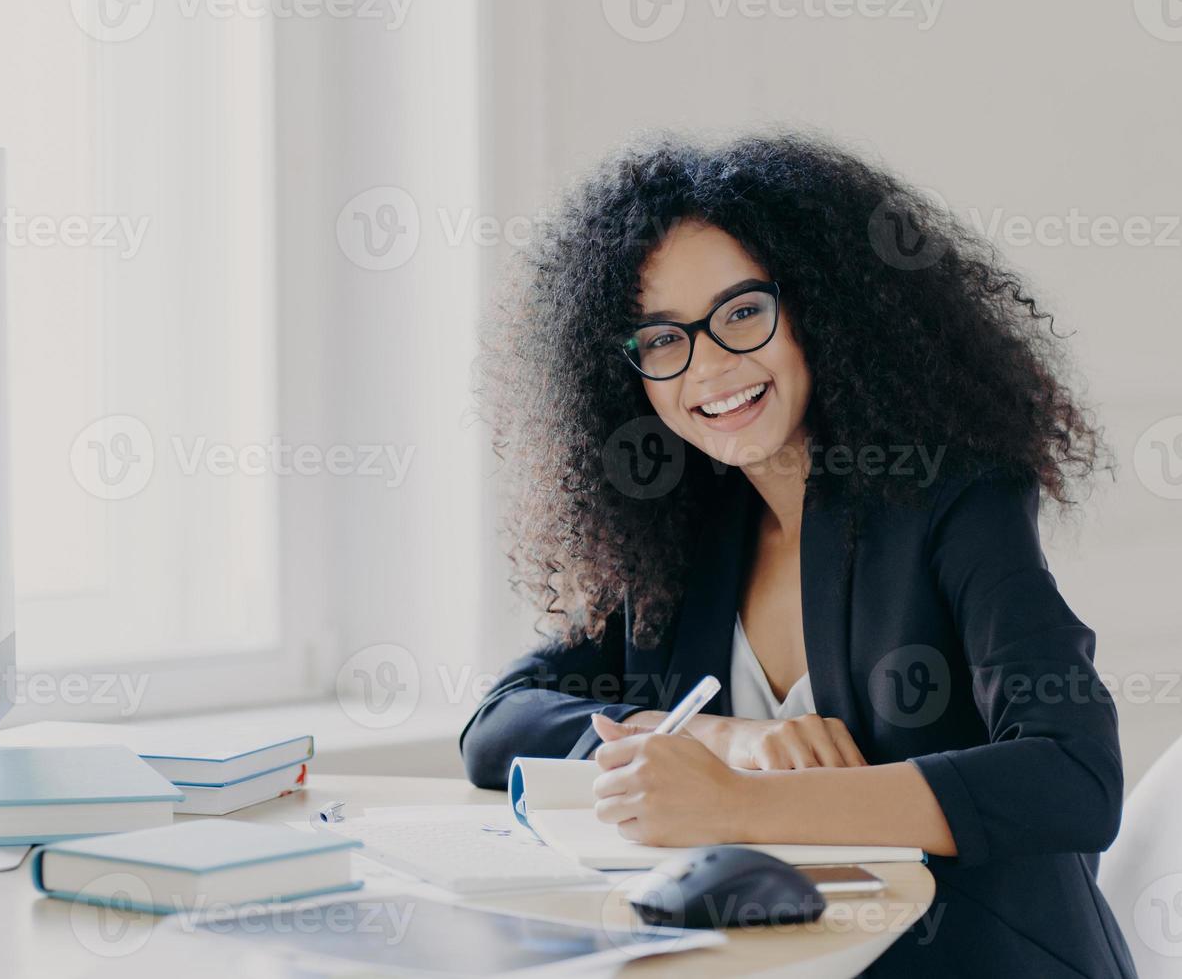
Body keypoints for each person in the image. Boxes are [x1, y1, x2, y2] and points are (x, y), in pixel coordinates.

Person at [461, 132, 1134, 976]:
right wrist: (721, 742)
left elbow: (1074, 776)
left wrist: (742, 806)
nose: (707, 367)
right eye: (663, 339)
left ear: (824, 307)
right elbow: (499, 723)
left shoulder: (957, 498)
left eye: (743, 312)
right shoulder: (679, 533)